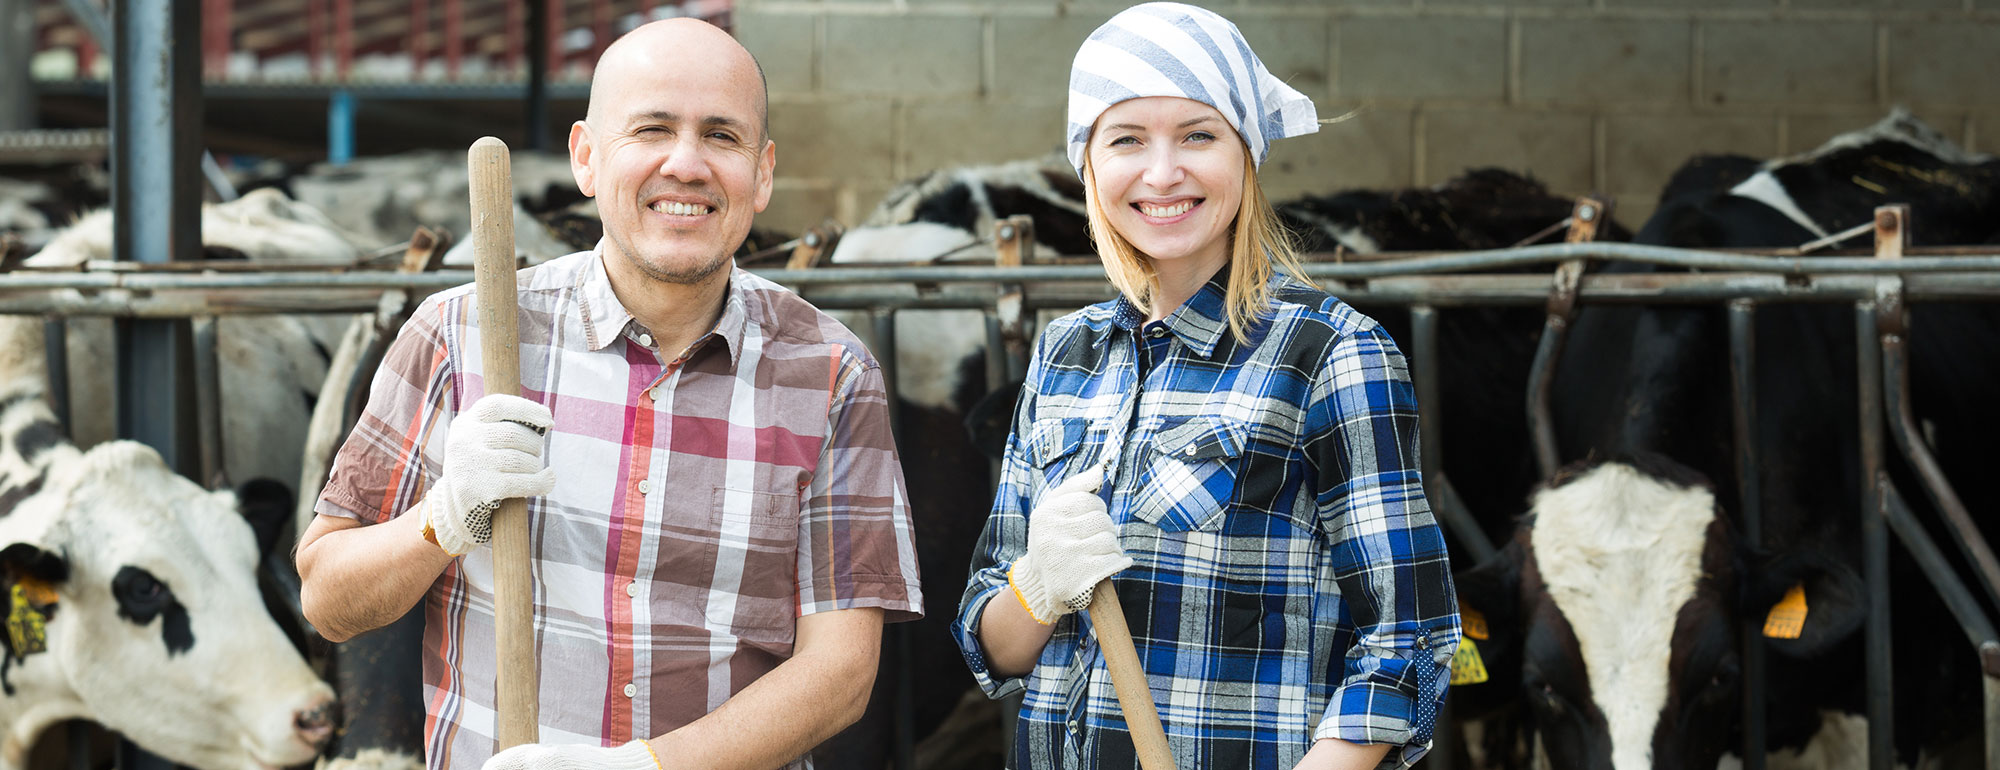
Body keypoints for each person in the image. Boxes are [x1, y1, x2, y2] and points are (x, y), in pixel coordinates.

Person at [296, 18, 921, 770]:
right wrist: (442, 519)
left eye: (722, 136)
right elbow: (328, 602)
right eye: (652, 128)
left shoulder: (831, 373)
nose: (686, 164)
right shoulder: (458, 335)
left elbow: (842, 675)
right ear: (587, 157)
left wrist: (643, 768)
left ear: (763, 173)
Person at [951, 4, 1459, 769]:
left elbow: (1409, 642)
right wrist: (1037, 586)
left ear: (1246, 155)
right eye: (1126, 140)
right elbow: (992, 645)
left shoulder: (1330, 353)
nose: (1162, 173)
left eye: (1198, 134)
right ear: (1090, 165)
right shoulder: (1066, 352)